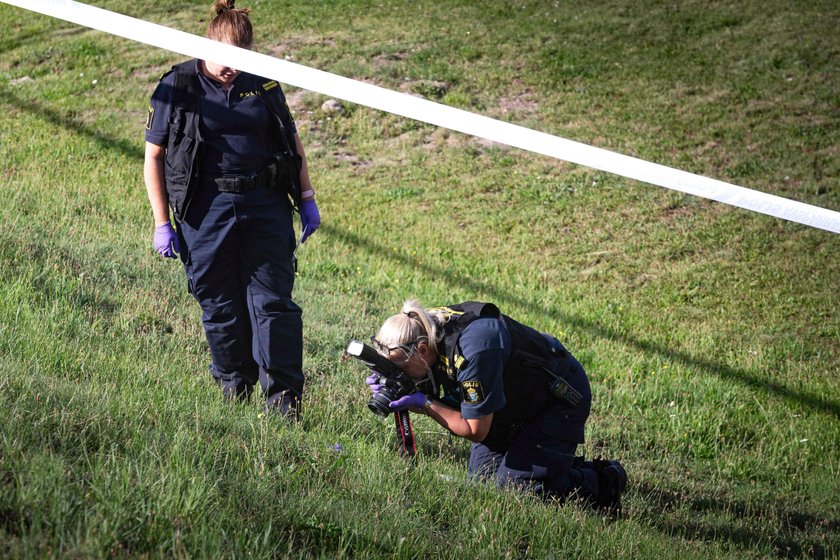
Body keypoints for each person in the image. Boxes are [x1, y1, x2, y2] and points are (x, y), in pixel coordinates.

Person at [143, 0, 320, 417]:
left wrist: (308, 200)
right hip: (205, 210)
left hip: (264, 204)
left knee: (273, 303)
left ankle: (284, 403)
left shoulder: (264, 85)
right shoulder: (178, 84)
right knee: (219, 303)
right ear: (207, 44)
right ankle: (233, 391)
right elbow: (153, 156)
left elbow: (293, 145)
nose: (232, 68)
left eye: (241, 59)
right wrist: (161, 222)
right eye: (225, 59)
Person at [366, 300, 627, 509]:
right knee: (484, 485)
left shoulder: (473, 350)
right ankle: (552, 464)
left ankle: (604, 480)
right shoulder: (420, 326)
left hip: (557, 399)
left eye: (399, 367)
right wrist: (398, 381)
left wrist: (423, 403)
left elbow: (475, 429)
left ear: (422, 349)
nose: (398, 373)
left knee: (518, 493)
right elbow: (436, 378)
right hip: (510, 403)